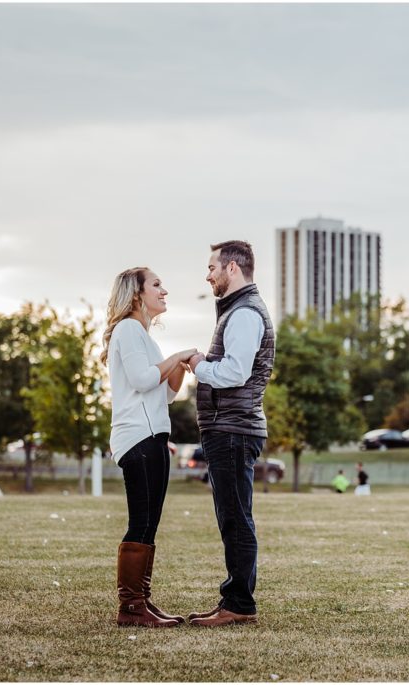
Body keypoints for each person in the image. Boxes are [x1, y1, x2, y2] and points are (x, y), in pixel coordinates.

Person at [185, 241, 275, 628]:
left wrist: (197, 364)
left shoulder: (244, 314)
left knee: (236, 518)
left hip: (234, 430)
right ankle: (233, 599)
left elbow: (234, 372)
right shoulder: (237, 311)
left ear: (232, 268)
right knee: (232, 516)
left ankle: (239, 604)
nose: (208, 275)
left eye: (211, 267)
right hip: (229, 429)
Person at [103, 267, 197, 628]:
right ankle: (130, 608)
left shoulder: (143, 337)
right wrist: (177, 356)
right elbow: (144, 380)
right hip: (137, 438)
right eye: (157, 285)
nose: (164, 290)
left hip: (154, 437)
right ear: (137, 294)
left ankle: (142, 601)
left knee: (150, 524)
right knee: (140, 522)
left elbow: (166, 393)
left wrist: (179, 365)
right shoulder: (128, 328)